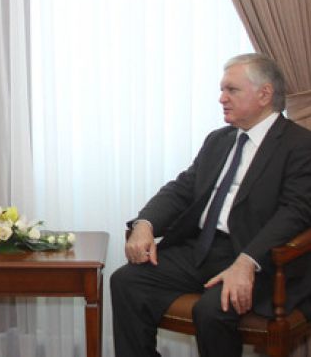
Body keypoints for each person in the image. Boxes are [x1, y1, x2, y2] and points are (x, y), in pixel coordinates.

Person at [111, 53, 311, 357]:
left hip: (259, 257)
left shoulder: (299, 145)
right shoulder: (219, 140)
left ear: (264, 94)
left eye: (232, 90)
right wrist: (144, 224)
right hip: (202, 248)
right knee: (126, 281)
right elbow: (182, 189)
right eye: (222, 90)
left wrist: (247, 261)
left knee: (211, 310)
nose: (222, 98)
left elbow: (295, 213)